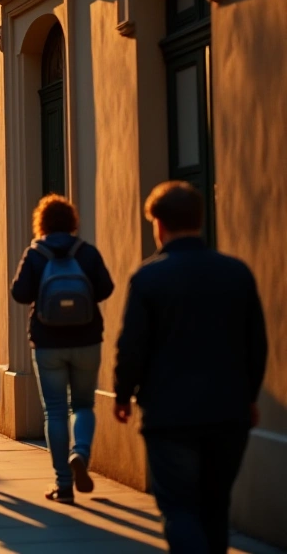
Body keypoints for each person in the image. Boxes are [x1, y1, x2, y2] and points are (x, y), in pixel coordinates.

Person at [114, 182, 267, 553]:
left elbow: (132, 345)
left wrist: (123, 394)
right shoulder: (236, 273)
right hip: (227, 412)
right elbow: (257, 344)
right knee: (215, 508)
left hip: (170, 415)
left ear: (159, 225)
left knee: (180, 508)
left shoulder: (149, 277)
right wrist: (249, 395)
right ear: (200, 220)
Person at [10, 194, 115, 503]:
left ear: (41, 222)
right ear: (72, 221)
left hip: (48, 343)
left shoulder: (35, 254)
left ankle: (63, 483)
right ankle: (80, 452)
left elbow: (19, 293)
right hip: (86, 341)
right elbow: (106, 288)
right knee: (83, 405)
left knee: (55, 410)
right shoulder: (86, 252)